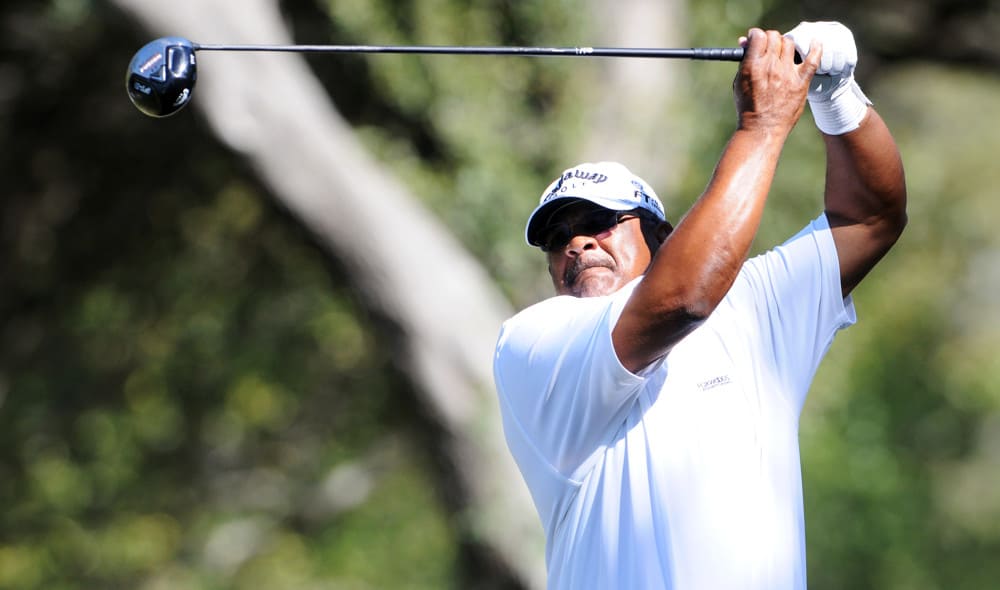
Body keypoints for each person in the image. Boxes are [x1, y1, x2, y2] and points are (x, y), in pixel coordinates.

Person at [492, 22, 907, 590]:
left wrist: (836, 98)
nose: (576, 243)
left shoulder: (752, 307)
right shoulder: (534, 341)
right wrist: (762, 125)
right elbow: (684, 297)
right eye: (557, 236)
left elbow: (871, 218)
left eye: (599, 222)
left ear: (661, 237)